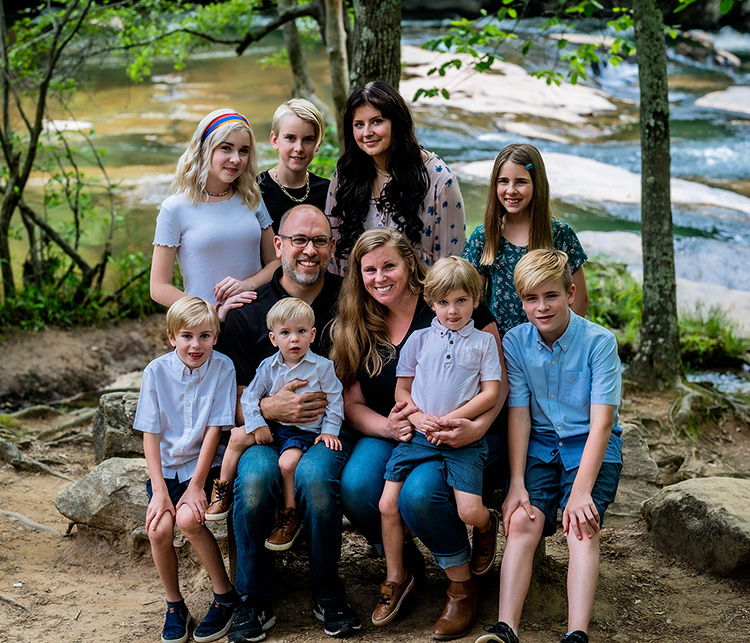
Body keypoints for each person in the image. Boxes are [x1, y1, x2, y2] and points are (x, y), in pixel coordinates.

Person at [330, 228, 507, 641]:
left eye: (389, 265)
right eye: (370, 270)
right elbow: (353, 405)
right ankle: (404, 569)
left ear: (410, 263)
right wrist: (389, 425)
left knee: (418, 495)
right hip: (393, 429)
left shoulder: (454, 305)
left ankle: (461, 584)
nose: (380, 277)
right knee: (357, 486)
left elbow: (497, 386)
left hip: (456, 431)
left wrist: (474, 427)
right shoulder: (358, 320)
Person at [216, 205, 360, 642]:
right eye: (299, 240)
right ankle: (251, 599)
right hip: (264, 431)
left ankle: (327, 591)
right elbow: (229, 400)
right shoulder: (249, 311)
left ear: (332, 247)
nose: (309, 250)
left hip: (324, 432)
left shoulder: (348, 299)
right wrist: (270, 410)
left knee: (316, 478)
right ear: (278, 246)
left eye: (319, 240)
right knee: (256, 478)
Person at [476, 250, 622, 643]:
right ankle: (506, 628)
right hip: (540, 446)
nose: (542, 308)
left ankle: (576, 633)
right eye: (531, 299)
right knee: (522, 520)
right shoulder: (516, 341)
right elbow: (519, 414)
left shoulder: (599, 343)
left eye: (551, 296)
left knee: (581, 526)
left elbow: (603, 422)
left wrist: (580, 492)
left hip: (590, 446)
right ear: (521, 301)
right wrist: (517, 482)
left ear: (571, 293)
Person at [372, 257, 502, 628]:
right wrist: (416, 417)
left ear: (476, 300)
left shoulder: (482, 343)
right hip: (422, 436)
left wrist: (459, 417)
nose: (453, 310)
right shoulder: (419, 339)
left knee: (467, 511)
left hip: (462, 438)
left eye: (461, 301)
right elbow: (402, 388)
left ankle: (486, 525)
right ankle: (396, 576)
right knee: (387, 503)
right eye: (444, 302)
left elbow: (491, 391)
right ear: (431, 303)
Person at [134, 296, 238, 643]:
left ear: (215, 337)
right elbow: (151, 433)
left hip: (201, 466)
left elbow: (213, 430)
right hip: (164, 470)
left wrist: (197, 486)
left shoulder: (223, 367)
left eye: (205, 336)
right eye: (187, 336)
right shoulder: (156, 372)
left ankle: (224, 597)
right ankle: (175, 604)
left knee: (190, 520)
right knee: (159, 528)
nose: (196, 345)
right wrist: (159, 490)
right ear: (171, 337)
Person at [206, 298, 343, 557]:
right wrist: (257, 424)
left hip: (303, 432)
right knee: (236, 437)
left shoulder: (323, 367)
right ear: (273, 338)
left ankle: (289, 516)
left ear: (312, 335)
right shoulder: (268, 366)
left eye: (301, 332)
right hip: (273, 425)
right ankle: (221, 492)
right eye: (285, 333)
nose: (294, 340)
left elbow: (335, 398)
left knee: (287, 464)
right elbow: (249, 397)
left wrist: (330, 430)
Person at [326, 80, 466, 274]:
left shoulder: (439, 180)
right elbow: (334, 257)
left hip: (420, 299)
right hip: (356, 299)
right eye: (359, 124)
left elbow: (451, 265)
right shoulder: (345, 176)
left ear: (397, 123)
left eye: (377, 121)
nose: (367, 133)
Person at [150, 108, 278, 310]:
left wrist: (247, 285)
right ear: (204, 149)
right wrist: (213, 311)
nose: (236, 159)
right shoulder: (174, 208)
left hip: (258, 318)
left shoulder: (252, 198)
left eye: (243, 150)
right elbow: (159, 288)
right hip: (205, 329)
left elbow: (276, 263)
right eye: (226, 148)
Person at [462, 143, 588, 335]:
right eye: (503, 181)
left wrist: (565, 344)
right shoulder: (484, 237)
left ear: (537, 184)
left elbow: (579, 300)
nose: (511, 190)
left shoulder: (561, 234)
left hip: (550, 344)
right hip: (500, 346)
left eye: (521, 182)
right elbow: (473, 301)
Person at [259, 98, 330, 232]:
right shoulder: (256, 191)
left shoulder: (328, 192)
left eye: (308, 139)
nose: (299, 148)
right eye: (290, 138)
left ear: (318, 143)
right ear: (274, 140)